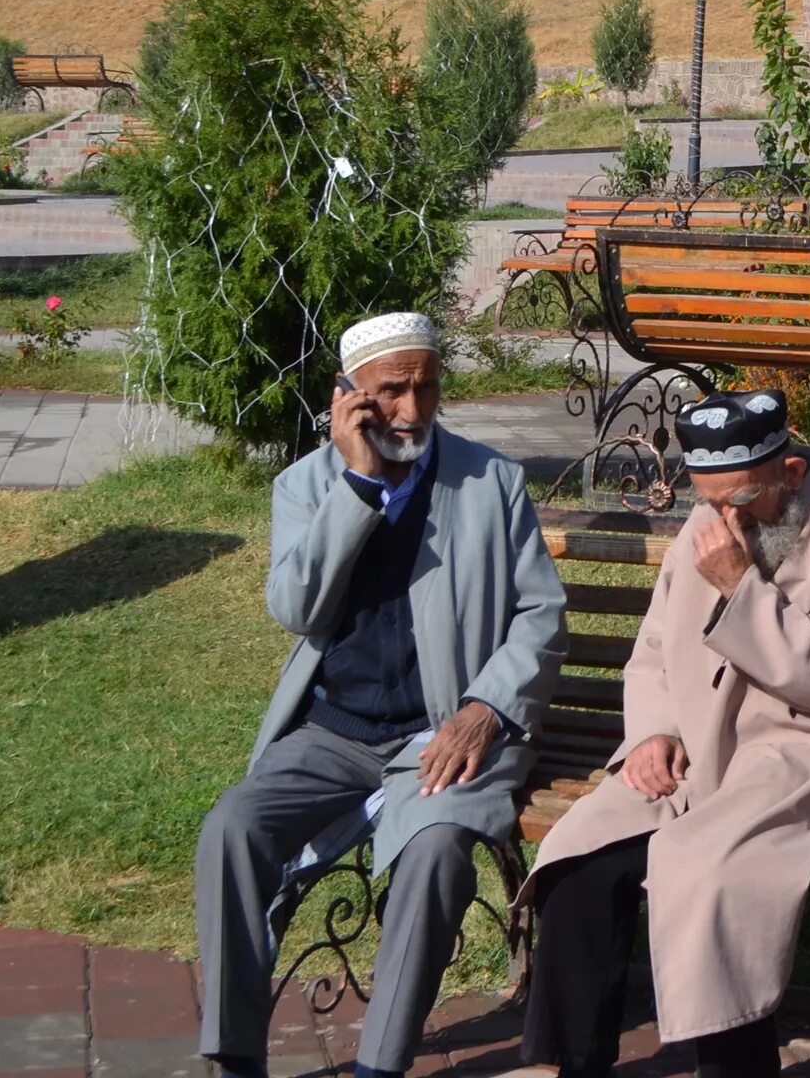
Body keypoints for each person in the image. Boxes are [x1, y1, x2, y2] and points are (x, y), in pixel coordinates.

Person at [196, 312, 566, 1078]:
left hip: (443, 734)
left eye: (426, 387)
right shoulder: (304, 485)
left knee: (434, 853)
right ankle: (234, 1058)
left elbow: (541, 613)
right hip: (332, 733)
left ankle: (380, 1065)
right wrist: (357, 486)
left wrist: (485, 708)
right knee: (231, 829)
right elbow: (295, 610)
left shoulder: (489, 482)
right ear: (349, 395)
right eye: (391, 391)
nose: (411, 409)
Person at [520, 389, 810, 1078]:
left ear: (788, 473)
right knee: (578, 856)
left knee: (708, 872)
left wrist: (738, 587)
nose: (721, 519)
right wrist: (653, 731)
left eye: (739, 500)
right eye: (708, 499)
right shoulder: (711, 515)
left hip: (800, 749)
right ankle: (575, 1066)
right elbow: (657, 649)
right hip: (695, 746)